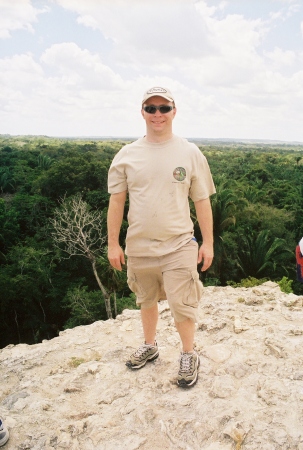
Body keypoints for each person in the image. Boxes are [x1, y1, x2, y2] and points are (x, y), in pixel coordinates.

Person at [107, 86, 216, 388]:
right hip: (139, 246)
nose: (158, 114)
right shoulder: (126, 156)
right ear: (142, 112)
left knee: (182, 303)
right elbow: (116, 202)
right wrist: (113, 244)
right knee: (146, 299)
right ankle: (150, 345)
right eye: (151, 108)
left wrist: (207, 242)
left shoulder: (189, 152)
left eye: (163, 108)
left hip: (179, 242)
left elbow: (202, 200)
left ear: (174, 111)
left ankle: (188, 354)